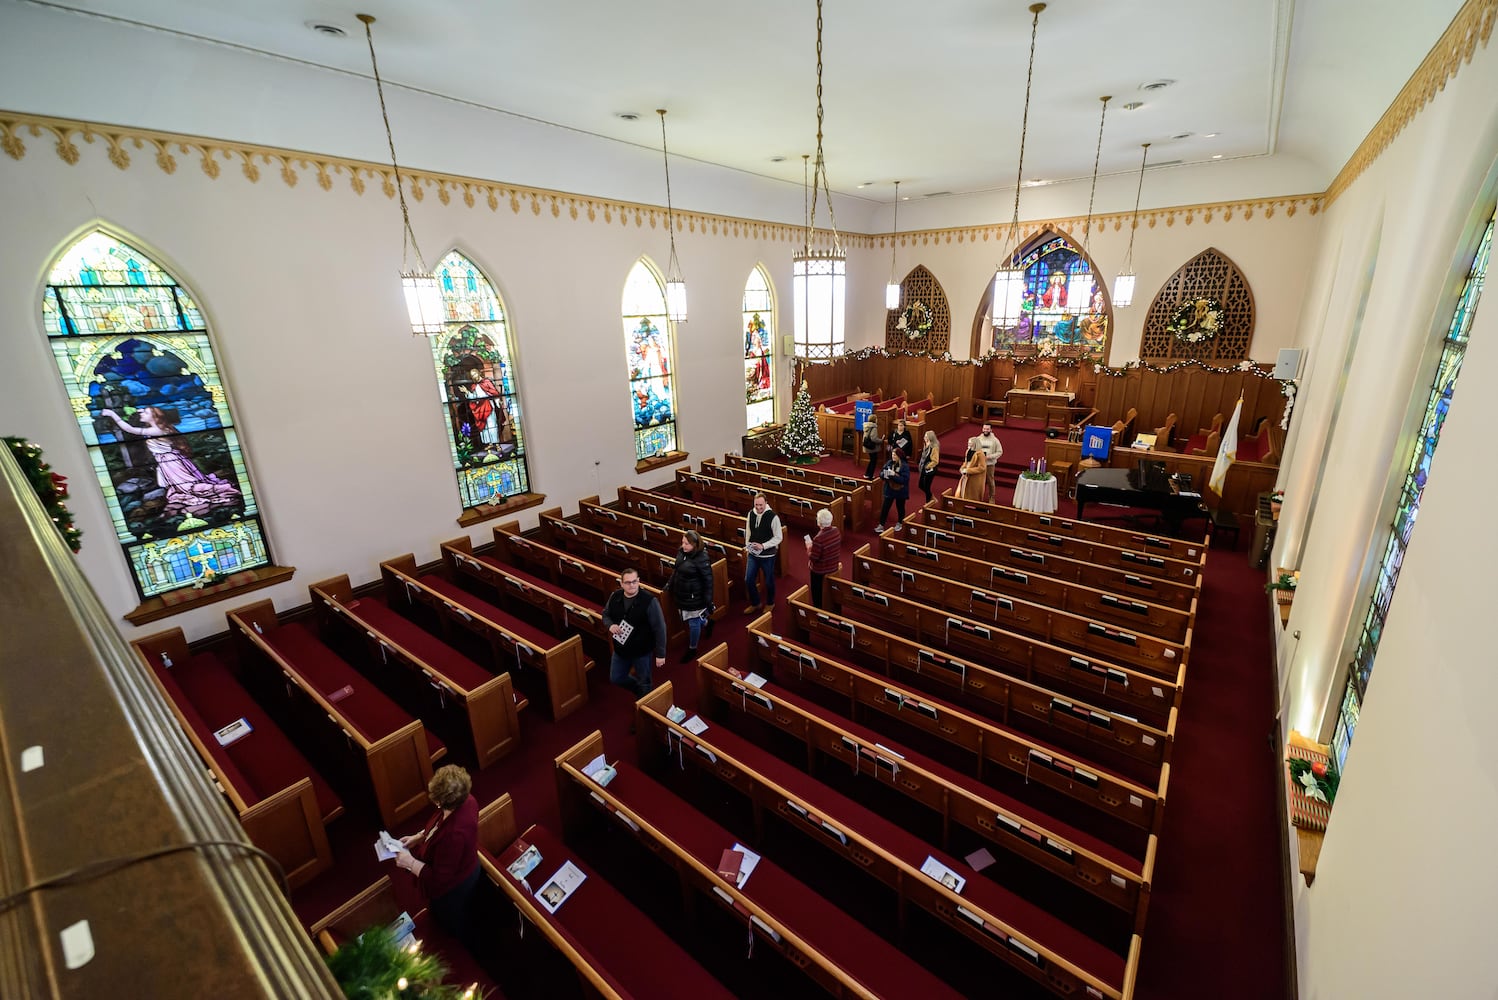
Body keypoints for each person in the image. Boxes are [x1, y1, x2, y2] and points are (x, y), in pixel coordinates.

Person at [99, 406, 241, 519]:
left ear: (154, 417)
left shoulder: (157, 430)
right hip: (171, 462)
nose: (141, 413)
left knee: (188, 487)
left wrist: (113, 414)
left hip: (172, 464)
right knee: (183, 488)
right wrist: (141, 410)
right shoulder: (159, 428)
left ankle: (225, 489)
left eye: (146, 412)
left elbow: (130, 429)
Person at [395, 765, 480, 942]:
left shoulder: (454, 835)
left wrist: (409, 862)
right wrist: (419, 837)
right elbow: (439, 823)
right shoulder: (467, 800)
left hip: (453, 888)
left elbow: (439, 879)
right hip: (464, 865)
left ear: (444, 802)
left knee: (451, 921)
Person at [602, 567, 667, 702]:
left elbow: (660, 628)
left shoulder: (649, 601)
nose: (631, 585)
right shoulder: (615, 596)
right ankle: (639, 690)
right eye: (627, 582)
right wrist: (611, 625)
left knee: (645, 681)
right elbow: (606, 614)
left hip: (642, 651)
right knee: (616, 678)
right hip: (621, 649)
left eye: (634, 581)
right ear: (621, 584)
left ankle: (646, 705)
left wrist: (661, 654)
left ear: (638, 581)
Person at [667, 530, 713, 662]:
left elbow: (708, 580)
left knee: (693, 623)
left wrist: (708, 600)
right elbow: (676, 570)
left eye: (687, 544)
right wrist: (669, 584)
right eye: (682, 542)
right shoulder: (682, 552)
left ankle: (693, 648)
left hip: (695, 596)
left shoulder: (702, 558)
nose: (683, 546)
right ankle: (707, 622)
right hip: (682, 593)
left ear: (695, 545)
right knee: (692, 619)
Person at [743, 493, 781, 614]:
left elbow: (778, 537)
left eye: (761, 505)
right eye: (756, 505)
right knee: (748, 579)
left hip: (768, 555)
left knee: (769, 580)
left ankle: (770, 603)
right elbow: (748, 531)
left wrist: (763, 546)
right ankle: (756, 603)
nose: (758, 507)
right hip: (753, 554)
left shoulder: (773, 517)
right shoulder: (751, 513)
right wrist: (748, 545)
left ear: (765, 503)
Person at [805, 507, 842, 609]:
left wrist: (809, 548)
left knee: (816, 589)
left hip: (821, 571)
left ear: (819, 523)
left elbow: (814, 558)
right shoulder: (836, 531)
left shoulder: (818, 539)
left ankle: (818, 606)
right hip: (833, 566)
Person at [875, 450, 910, 532]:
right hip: (889, 489)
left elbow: (904, 480)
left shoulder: (904, 466)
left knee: (900, 507)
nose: (893, 456)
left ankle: (900, 523)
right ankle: (881, 525)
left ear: (899, 456)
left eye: (894, 455)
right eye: (892, 455)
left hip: (901, 490)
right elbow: (881, 473)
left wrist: (893, 475)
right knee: (885, 507)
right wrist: (884, 475)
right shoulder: (889, 463)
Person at [973, 423, 1004, 501]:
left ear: (991, 430)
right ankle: (978, 496)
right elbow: (972, 450)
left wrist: (990, 457)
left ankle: (991, 497)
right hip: (979, 464)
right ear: (982, 429)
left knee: (990, 481)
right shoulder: (978, 439)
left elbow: (1000, 452)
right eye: (984, 429)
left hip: (989, 464)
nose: (985, 430)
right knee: (979, 481)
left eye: (987, 429)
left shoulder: (995, 440)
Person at [917, 430, 941, 504]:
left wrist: (928, 466)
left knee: (927, 487)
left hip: (929, 470)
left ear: (930, 437)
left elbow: (935, 461)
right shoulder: (926, 444)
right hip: (923, 469)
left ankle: (928, 503)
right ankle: (932, 497)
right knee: (920, 485)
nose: (924, 437)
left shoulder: (934, 447)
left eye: (926, 436)